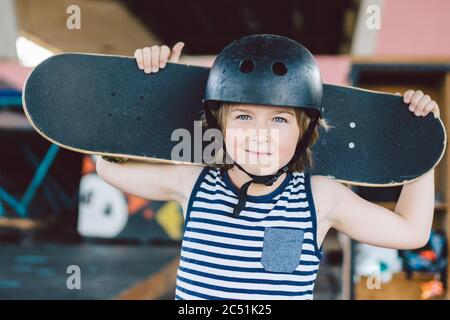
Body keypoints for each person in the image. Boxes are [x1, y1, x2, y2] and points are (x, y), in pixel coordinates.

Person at [96, 35, 439, 300]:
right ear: (221, 126)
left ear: (305, 131)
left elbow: (412, 232)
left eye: (279, 119)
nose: (260, 134)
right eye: (244, 116)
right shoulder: (195, 183)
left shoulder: (318, 198)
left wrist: (422, 144)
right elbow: (109, 168)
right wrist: (143, 90)